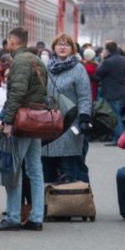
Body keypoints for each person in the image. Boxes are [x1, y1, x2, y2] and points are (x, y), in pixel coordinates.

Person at [0, 27, 47, 232]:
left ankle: (13, 216)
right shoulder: (36, 60)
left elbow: (17, 93)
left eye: (8, 41)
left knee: (14, 168)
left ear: (13, 42)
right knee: (35, 170)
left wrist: (8, 120)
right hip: (36, 120)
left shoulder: (20, 62)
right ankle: (36, 217)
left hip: (23, 120)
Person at [41, 33, 92, 183]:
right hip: (48, 124)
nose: (62, 47)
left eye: (66, 44)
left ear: (72, 48)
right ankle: (50, 204)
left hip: (70, 124)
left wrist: (84, 117)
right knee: (47, 172)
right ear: (53, 48)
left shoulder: (78, 69)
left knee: (70, 169)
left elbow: (84, 96)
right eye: (59, 44)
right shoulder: (46, 68)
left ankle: (74, 203)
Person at [96, 41, 125, 146]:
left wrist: (102, 60)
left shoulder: (108, 61)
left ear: (108, 49)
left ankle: (120, 139)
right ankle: (123, 137)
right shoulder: (122, 60)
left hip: (112, 93)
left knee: (115, 117)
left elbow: (98, 72)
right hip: (123, 91)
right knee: (121, 116)